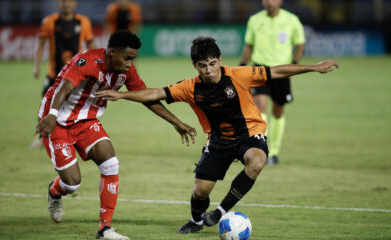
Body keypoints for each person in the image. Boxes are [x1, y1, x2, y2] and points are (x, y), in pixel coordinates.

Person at [95, 37, 339, 234]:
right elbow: (156, 92)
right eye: (202, 65)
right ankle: (197, 220)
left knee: (257, 161)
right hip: (218, 140)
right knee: (200, 192)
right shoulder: (190, 87)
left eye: (212, 63)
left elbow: (276, 71)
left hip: (250, 134)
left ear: (219, 60)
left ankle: (221, 212)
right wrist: (122, 95)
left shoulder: (238, 75)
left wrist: (314, 67)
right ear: (195, 66)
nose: (209, 70)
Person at [34, 30, 196, 240]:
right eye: (127, 58)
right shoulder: (88, 61)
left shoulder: (126, 72)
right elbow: (65, 87)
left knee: (111, 164)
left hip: (87, 122)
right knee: (72, 183)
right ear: (111, 52)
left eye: (132, 59)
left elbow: (146, 97)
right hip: (57, 122)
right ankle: (55, 192)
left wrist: (176, 122)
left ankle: (104, 229)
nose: (130, 64)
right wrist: (52, 115)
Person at [239, 0, 305, 164]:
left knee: (278, 111)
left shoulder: (292, 20)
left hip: (282, 70)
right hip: (260, 70)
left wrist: (294, 64)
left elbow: (300, 44)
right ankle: (262, 147)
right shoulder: (255, 20)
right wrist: (242, 66)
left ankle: (274, 152)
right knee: (260, 106)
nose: (269, 2)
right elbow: (249, 45)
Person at [30, 0, 96, 149]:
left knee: (76, 105)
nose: (66, 4)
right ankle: (41, 137)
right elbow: (40, 44)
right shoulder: (49, 22)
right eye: (63, 1)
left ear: (75, 3)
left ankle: (74, 137)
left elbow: (91, 45)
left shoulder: (83, 22)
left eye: (69, 1)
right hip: (54, 72)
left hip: (77, 74)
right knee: (46, 104)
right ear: (58, 3)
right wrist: (36, 66)